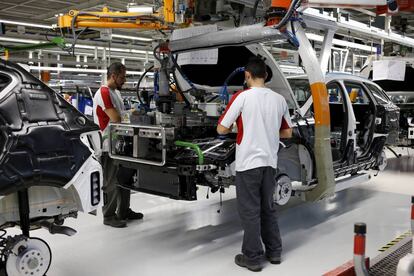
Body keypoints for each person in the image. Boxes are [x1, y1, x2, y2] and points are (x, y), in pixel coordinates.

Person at [217, 57, 293, 272]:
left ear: (247, 75)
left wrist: (240, 128)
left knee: (250, 211)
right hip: (269, 162)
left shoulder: (242, 97)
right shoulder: (279, 99)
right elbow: (287, 132)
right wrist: (266, 130)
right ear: (266, 76)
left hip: (248, 163)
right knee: (268, 208)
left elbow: (221, 129)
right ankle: (275, 252)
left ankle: (252, 257)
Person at [93, 62, 144, 228]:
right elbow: (115, 118)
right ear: (113, 76)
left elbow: (119, 116)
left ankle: (123, 211)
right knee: (111, 181)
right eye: (122, 77)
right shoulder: (104, 92)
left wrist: (129, 114)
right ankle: (108, 215)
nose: (124, 81)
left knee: (124, 179)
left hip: (119, 143)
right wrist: (130, 114)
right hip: (107, 145)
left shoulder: (116, 92)